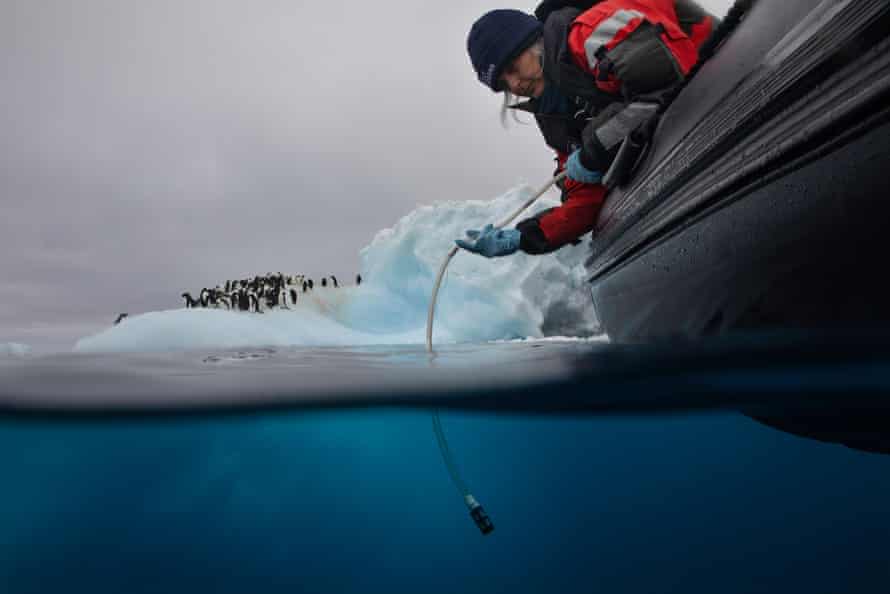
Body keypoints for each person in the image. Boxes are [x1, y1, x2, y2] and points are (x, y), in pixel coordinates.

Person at [457, 0, 717, 258]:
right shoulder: (554, 117)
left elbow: (666, 87)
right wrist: (526, 236)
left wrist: (595, 151)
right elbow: (584, 196)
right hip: (688, 143)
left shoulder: (594, 32)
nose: (515, 84)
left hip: (723, 82)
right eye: (503, 84)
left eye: (513, 68)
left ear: (534, 41)